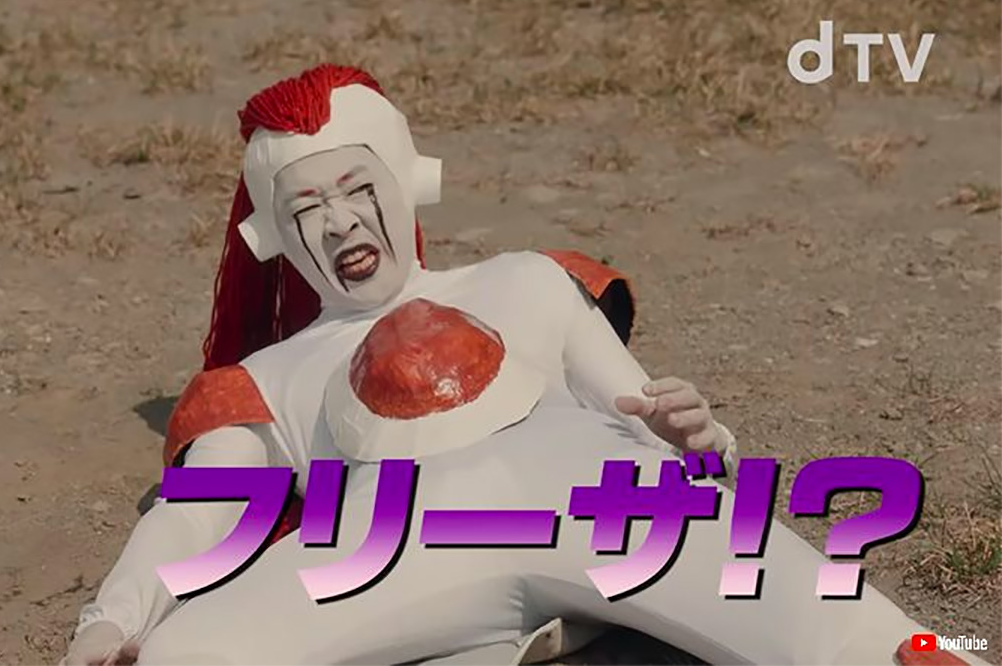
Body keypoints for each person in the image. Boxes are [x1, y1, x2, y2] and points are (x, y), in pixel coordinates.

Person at [63, 64, 977, 666]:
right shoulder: (270, 378)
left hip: (595, 489)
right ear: (272, 235)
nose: (339, 223)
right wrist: (110, 622)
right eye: (307, 207)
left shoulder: (527, 279)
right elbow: (198, 513)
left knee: (854, 635)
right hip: (385, 537)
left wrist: (696, 436)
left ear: (406, 178)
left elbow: (644, 410)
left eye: (355, 188)